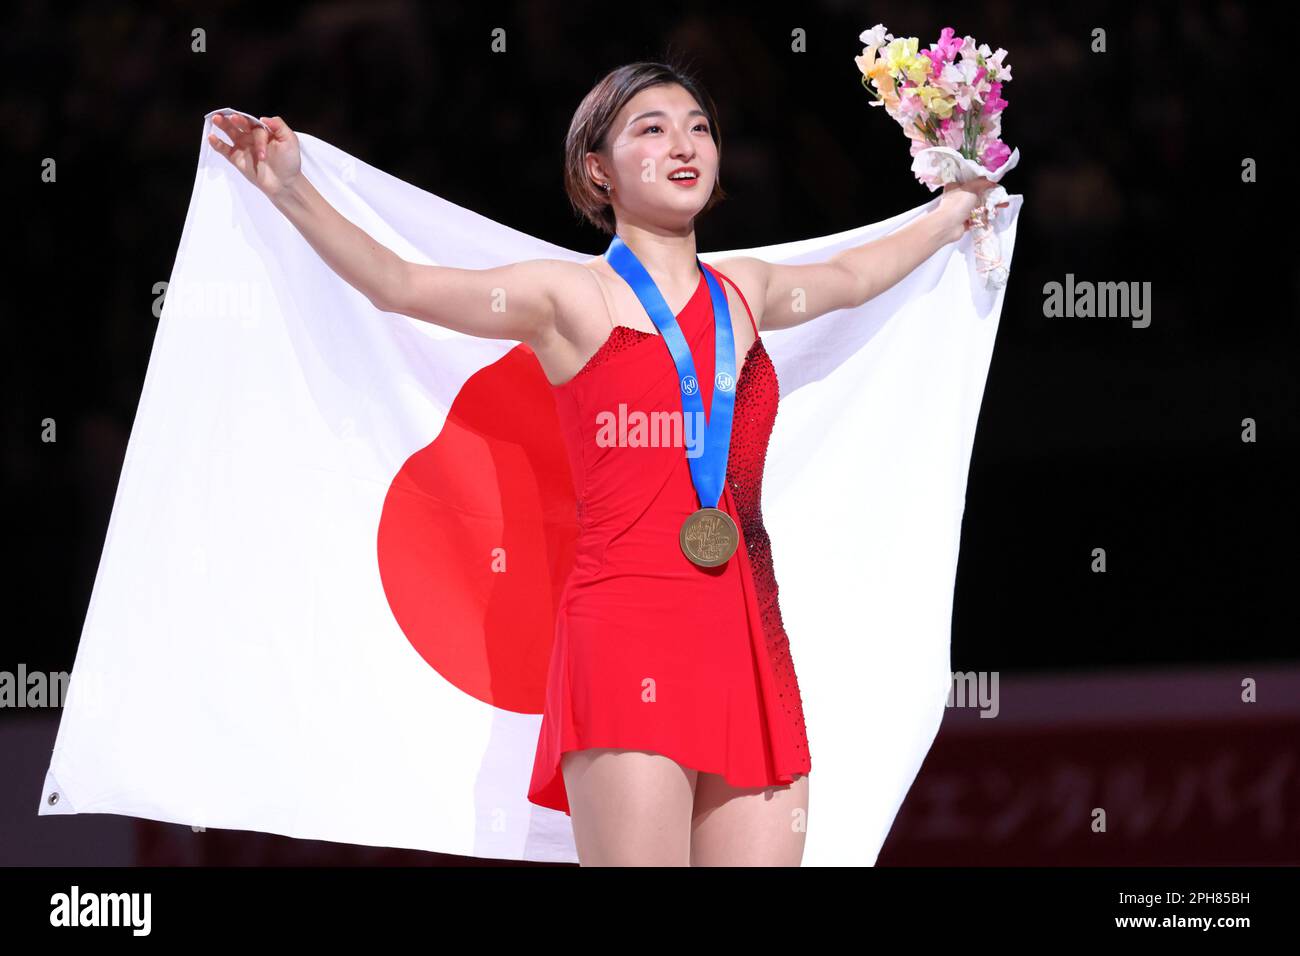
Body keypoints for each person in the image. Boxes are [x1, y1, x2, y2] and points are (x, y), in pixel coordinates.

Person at [206, 60, 1001, 866]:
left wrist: (956, 209)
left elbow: (854, 275)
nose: (684, 143)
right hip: (627, 642)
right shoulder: (567, 297)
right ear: (598, 170)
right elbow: (403, 285)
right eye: (650, 130)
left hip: (752, 639)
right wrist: (290, 188)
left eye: (699, 127)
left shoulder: (747, 293)